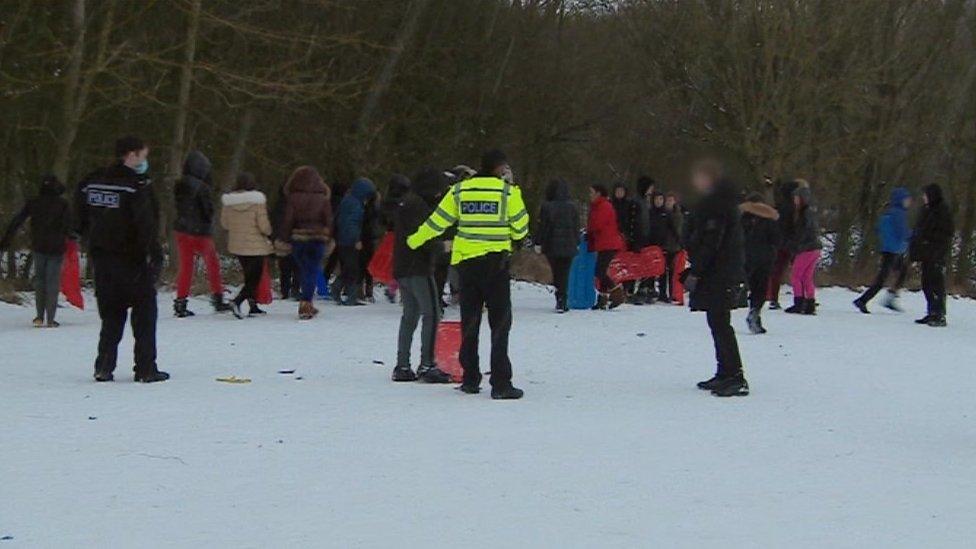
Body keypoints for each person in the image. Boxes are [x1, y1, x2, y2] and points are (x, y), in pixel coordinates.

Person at [406, 149, 529, 400]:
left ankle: (471, 378)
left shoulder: (460, 191)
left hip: (467, 266)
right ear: (500, 168)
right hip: (496, 265)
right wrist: (514, 238)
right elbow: (520, 227)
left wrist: (413, 241)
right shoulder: (508, 193)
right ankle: (501, 383)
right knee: (500, 324)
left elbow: (437, 222)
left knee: (470, 322)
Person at [75, 136, 168, 383]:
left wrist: (91, 241)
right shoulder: (137, 186)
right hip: (133, 259)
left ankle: (104, 365)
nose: (145, 162)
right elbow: (146, 224)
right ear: (131, 155)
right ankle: (146, 367)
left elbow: (78, 218)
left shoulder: (91, 182)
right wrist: (154, 255)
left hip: (102, 259)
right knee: (145, 313)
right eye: (143, 156)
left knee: (112, 314)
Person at [682, 160, 749, 397]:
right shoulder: (717, 204)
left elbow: (712, 241)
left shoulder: (719, 206)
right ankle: (724, 371)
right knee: (717, 321)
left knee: (721, 323)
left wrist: (697, 270)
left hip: (721, 273)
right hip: (720, 271)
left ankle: (735, 376)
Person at [391, 168, 452, 384]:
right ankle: (427, 363)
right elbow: (421, 238)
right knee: (432, 313)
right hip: (418, 267)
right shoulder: (417, 206)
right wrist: (443, 246)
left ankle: (402, 364)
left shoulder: (406, 202)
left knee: (410, 315)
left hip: (403, 266)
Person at [0, 175, 72, 327]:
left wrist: (6, 240)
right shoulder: (62, 204)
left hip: (39, 245)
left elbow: (17, 220)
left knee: (40, 280)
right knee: (52, 281)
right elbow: (69, 225)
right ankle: (51, 319)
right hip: (57, 247)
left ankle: (39, 317)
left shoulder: (34, 203)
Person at [172, 150, 230, 317]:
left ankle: (180, 302)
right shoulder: (202, 187)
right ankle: (217, 298)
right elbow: (207, 211)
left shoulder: (180, 185)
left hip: (182, 229)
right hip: (200, 231)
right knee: (212, 265)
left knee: (186, 266)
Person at [280, 166, 332, 320]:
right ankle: (306, 302)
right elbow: (329, 219)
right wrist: (329, 236)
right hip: (318, 238)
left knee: (305, 270)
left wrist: (284, 237)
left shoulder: (293, 198)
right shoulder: (323, 198)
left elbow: (288, 220)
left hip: (299, 239)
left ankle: (306, 301)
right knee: (312, 269)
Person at [220, 172, 273, 319]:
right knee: (254, 279)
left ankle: (253, 305)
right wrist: (270, 232)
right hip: (255, 246)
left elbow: (224, 224)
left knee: (249, 276)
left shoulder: (229, 202)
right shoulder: (257, 201)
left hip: (237, 245)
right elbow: (264, 226)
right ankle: (237, 302)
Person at [854, 187, 913, 314]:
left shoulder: (888, 212)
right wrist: (914, 235)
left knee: (902, 271)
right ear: (900, 200)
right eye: (907, 199)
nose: (909, 202)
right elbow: (902, 232)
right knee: (883, 278)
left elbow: (878, 230)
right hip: (894, 251)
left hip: (888, 249)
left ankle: (891, 296)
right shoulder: (899, 214)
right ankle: (863, 300)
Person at [910, 183, 954, 327]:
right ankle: (931, 311)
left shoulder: (942, 211)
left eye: (925, 195)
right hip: (926, 252)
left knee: (936, 284)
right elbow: (919, 229)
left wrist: (931, 241)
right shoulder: (926, 210)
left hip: (936, 252)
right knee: (926, 283)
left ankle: (939, 314)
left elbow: (946, 232)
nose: (923, 198)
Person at [536, 178, 580, 313]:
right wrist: (576, 242)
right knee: (564, 272)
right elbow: (575, 227)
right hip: (569, 245)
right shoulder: (572, 207)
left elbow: (543, 226)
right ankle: (563, 298)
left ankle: (559, 297)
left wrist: (538, 241)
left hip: (552, 245)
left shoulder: (547, 206)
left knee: (556, 272)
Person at [740, 192, 780, 334]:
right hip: (764, 258)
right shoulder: (769, 220)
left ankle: (754, 313)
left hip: (746, 257)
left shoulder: (742, 219)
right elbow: (776, 239)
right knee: (760, 290)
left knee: (751, 287)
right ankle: (755, 313)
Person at [334, 178, 377, 306]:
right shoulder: (356, 205)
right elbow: (353, 223)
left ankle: (337, 288)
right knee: (353, 269)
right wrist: (356, 239)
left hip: (342, 239)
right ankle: (349, 295)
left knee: (348, 268)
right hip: (350, 241)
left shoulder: (347, 200)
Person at [586, 184, 626, 309]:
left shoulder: (603, 206)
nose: (590, 195)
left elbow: (597, 224)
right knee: (601, 270)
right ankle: (602, 299)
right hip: (605, 243)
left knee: (599, 271)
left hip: (608, 243)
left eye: (592, 192)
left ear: (598, 193)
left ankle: (617, 291)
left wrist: (588, 231)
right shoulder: (600, 206)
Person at [784, 184, 821, 315]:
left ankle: (798, 303)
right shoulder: (811, 212)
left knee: (796, 275)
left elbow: (802, 233)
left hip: (806, 248)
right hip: (815, 248)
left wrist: (793, 246)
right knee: (807, 277)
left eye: (796, 198)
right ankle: (810, 303)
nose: (795, 200)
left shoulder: (804, 214)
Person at [766, 179, 800, 309]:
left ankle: (773, 298)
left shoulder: (780, 206)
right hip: (788, 243)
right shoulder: (792, 208)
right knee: (797, 271)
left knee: (777, 271)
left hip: (782, 242)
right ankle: (802, 296)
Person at [380, 174, 411, 303]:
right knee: (405, 264)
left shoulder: (387, 202)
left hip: (390, 233)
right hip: (402, 234)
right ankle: (401, 291)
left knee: (393, 263)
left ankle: (392, 286)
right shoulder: (405, 202)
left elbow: (382, 219)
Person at [271, 179, 297, 300]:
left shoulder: (277, 205)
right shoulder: (297, 205)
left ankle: (285, 291)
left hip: (281, 240)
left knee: (284, 269)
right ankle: (295, 289)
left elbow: (274, 223)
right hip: (294, 239)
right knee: (297, 267)